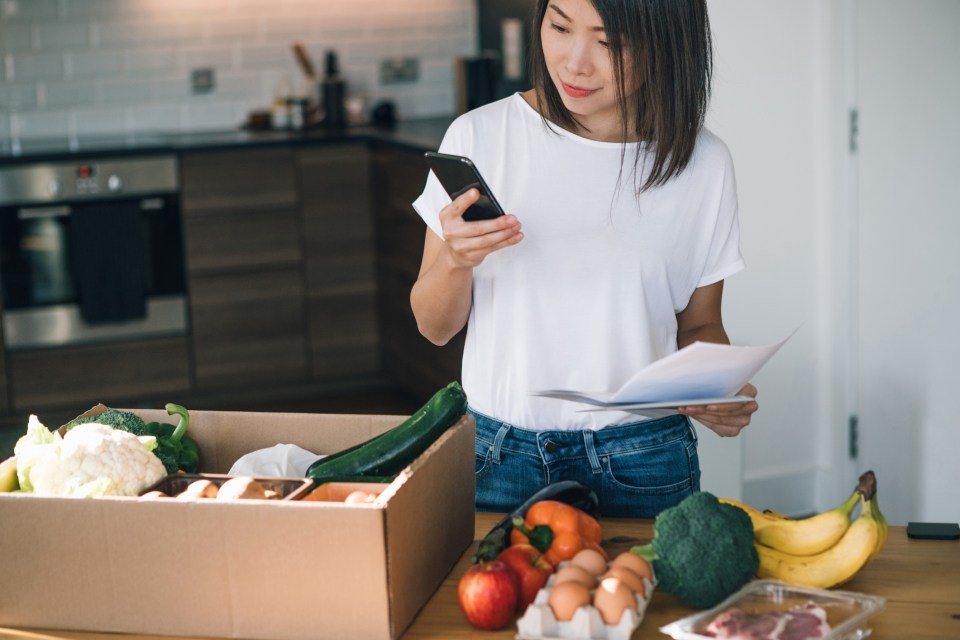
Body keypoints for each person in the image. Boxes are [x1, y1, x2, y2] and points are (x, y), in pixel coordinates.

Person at [410, 0, 758, 518]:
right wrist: (456, 263)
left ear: (666, 42)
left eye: (609, 42)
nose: (574, 61)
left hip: (645, 459)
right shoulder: (479, 138)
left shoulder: (702, 164)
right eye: (559, 26)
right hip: (499, 456)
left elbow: (701, 325)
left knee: (655, 601)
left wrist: (716, 387)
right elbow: (433, 327)